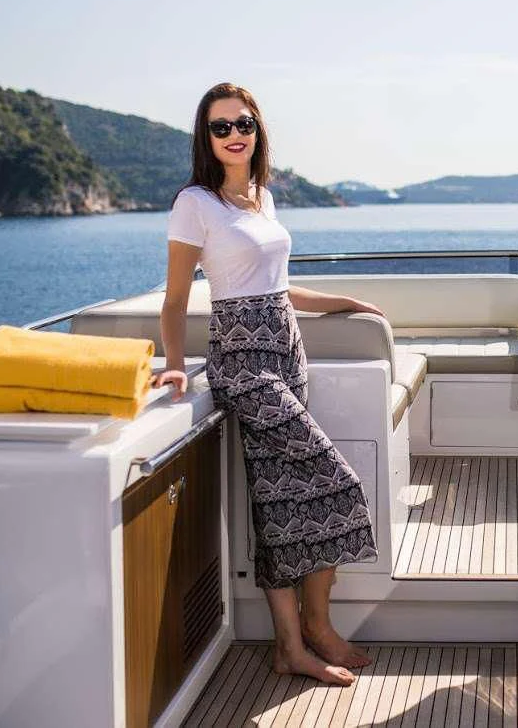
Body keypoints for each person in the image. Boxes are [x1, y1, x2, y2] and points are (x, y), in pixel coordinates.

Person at [152, 82, 380, 687]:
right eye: (220, 127)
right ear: (206, 138)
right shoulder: (194, 203)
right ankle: (318, 631)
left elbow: (277, 286)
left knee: (282, 503)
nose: (234, 135)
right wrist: (176, 361)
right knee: (336, 483)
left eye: (243, 123)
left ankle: (297, 644)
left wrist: (343, 302)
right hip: (243, 362)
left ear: (258, 130)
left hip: (287, 350)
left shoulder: (261, 197)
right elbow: (176, 301)